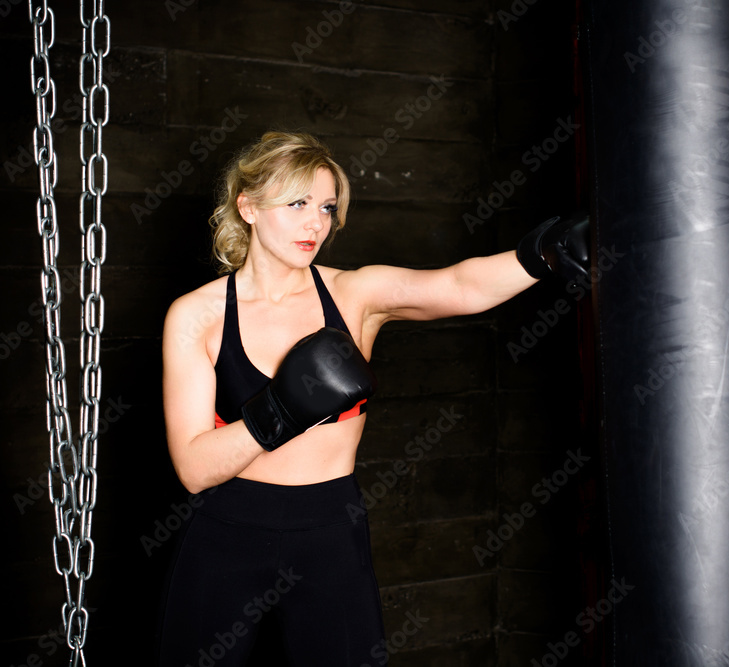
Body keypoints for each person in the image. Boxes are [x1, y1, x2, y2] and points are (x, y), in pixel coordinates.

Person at [158, 131, 588, 666]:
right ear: (248, 207)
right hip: (227, 531)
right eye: (297, 204)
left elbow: (458, 286)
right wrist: (281, 410)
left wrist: (543, 253)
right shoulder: (195, 316)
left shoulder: (352, 295)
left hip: (330, 529)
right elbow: (195, 469)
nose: (316, 223)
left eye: (326, 206)